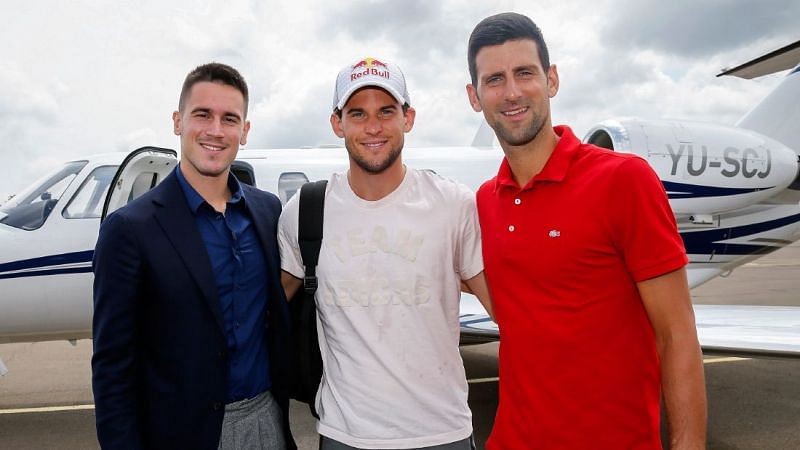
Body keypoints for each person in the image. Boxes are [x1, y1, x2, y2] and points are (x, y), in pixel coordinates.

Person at [465, 12, 707, 449]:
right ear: (475, 97)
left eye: (525, 73)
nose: (513, 92)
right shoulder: (486, 200)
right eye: (494, 79)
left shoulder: (624, 180)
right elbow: (521, 310)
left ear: (551, 79)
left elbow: (677, 335)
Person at [278, 57, 492, 450]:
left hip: (443, 433)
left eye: (386, 111)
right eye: (357, 113)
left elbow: (507, 309)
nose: (372, 127)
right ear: (337, 123)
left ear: (408, 118)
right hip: (346, 435)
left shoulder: (453, 204)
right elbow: (267, 310)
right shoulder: (305, 212)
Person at [92, 63, 294, 450]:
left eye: (229, 119)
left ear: (245, 131)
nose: (215, 131)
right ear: (177, 121)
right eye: (202, 115)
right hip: (180, 433)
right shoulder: (129, 229)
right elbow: (112, 365)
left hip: (266, 422)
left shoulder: (268, 212)